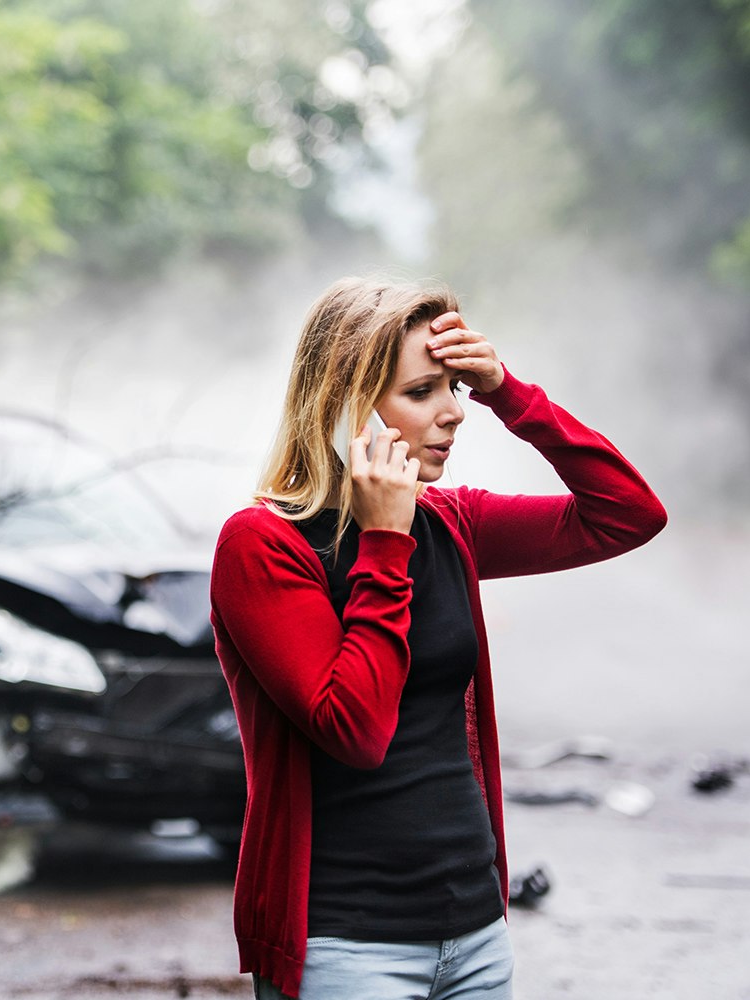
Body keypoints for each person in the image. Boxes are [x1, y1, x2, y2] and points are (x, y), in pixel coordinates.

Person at [209, 277, 667, 1000]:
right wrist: (385, 542)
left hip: (476, 937)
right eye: (423, 392)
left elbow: (628, 514)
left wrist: (508, 391)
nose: (454, 413)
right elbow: (355, 727)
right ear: (344, 405)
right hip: (344, 948)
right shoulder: (263, 546)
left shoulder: (452, 523)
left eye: (455, 386)